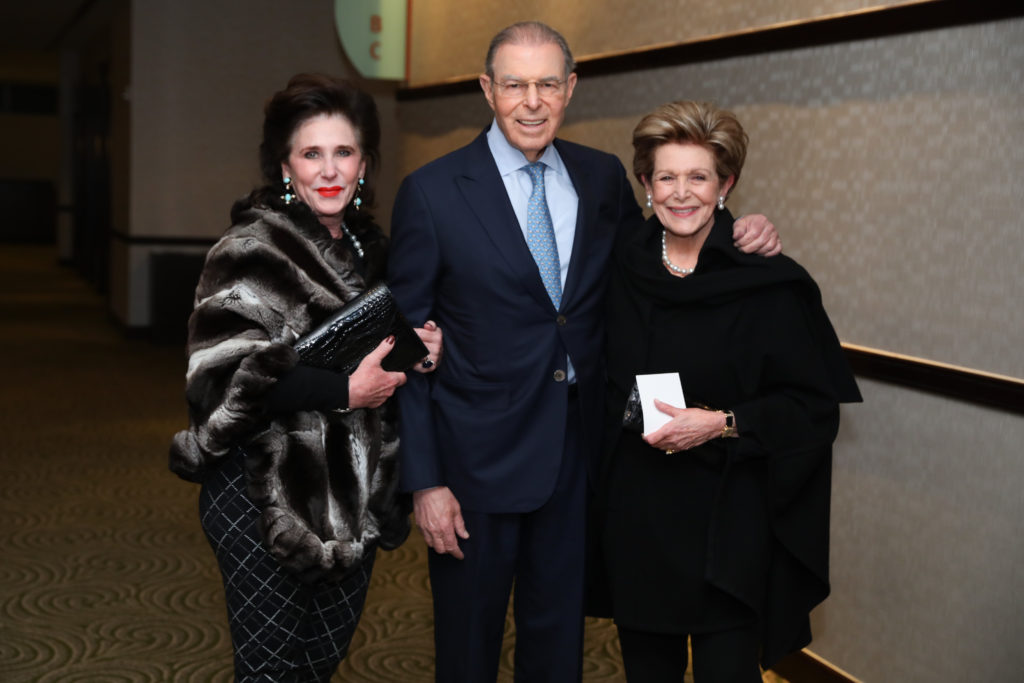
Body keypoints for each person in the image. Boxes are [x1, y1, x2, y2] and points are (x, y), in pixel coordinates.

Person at [387, 22, 780, 683]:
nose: (531, 101)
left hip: (577, 459)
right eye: (514, 84)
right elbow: (406, 347)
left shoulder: (599, 180)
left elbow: (656, 262)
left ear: (570, 89)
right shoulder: (431, 192)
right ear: (488, 90)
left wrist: (739, 226)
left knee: (557, 645)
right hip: (472, 466)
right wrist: (425, 481)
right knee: (467, 647)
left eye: (547, 83)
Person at [168, 73, 441, 682]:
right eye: (311, 153)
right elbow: (218, 383)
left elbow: (378, 356)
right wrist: (345, 391)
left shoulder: (376, 252)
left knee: (317, 666)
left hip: (352, 502)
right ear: (284, 165)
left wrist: (419, 354)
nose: (329, 170)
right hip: (262, 497)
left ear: (365, 161)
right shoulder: (250, 250)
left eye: (343, 152)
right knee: (270, 673)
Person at [596, 100, 862, 682]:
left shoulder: (766, 281)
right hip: (639, 518)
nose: (681, 193)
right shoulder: (615, 268)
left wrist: (723, 422)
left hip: (731, 523)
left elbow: (812, 409)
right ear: (645, 183)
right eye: (666, 176)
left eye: (699, 177)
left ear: (726, 185)